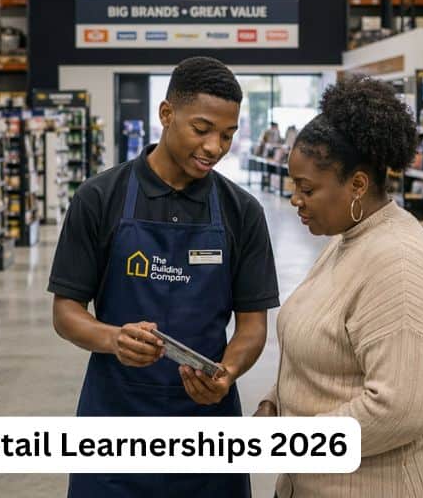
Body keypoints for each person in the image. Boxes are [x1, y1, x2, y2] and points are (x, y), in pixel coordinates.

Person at [48, 56, 279, 498]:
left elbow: (253, 325)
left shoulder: (241, 212)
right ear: (167, 114)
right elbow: (66, 312)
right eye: (203, 129)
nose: (215, 146)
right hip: (115, 419)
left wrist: (226, 373)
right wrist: (113, 339)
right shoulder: (100, 198)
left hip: (206, 424)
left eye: (227, 135)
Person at [257, 76, 423, 497]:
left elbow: (399, 409)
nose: (294, 199)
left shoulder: (399, 265)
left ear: (357, 185)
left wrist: (287, 445)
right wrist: (274, 402)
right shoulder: (348, 241)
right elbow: (320, 349)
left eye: (307, 188)